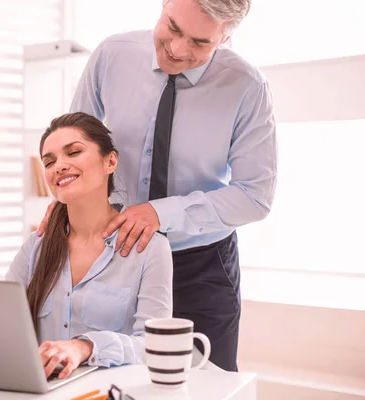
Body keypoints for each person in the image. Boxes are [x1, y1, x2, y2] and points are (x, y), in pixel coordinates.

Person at [38, 0, 277, 371]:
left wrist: (158, 213)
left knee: (205, 384)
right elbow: (73, 141)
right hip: (114, 256)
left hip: (199, 265)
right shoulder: (112, 56)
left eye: (200, 43)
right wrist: (67, 196)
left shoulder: (247, 87)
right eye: (173, 27)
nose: (178, 50)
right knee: (104, 371)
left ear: (226, 37)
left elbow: (255, 196)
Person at [6, 112, 173, 380]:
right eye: (49, 162)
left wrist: (84, 347)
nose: (59, 166)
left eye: (73, 152)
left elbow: (154, 347)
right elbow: (4, 327)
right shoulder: (34, 248)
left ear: (110, 161)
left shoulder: (150, 249)